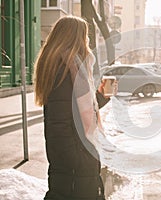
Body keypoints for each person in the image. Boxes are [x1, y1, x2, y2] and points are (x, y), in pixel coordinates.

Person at [34, 16, 110, 200]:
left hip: (75, 162)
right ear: (75, 38)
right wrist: (79, 161)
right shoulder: (64, 69)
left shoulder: (71, 68)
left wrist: (99, 96)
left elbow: (75, 110)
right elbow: (59, 123)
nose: (87, 42)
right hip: (75, 166)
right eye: (84, 37)